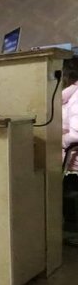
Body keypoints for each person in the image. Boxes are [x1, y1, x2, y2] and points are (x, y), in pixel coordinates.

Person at [61, 57, 78, 246]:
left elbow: (76, 134)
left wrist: (59, 140)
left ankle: (71, 230)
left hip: (73, 160)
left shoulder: (75, 98)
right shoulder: (70, 96)